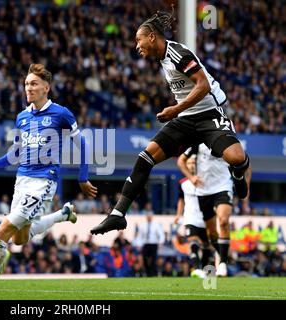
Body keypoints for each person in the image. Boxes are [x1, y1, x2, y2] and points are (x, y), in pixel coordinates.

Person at [91, 9, 250, 236]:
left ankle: (238, 170)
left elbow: (203, 86)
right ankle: (117, 214)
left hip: (209, 114)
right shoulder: (162, 59)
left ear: (152, 37)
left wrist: (175, 109)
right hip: (186, 119)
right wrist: (179, 112)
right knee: (145, 157)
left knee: (236, 157)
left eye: (139, 40)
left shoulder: (178, 53)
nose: (137, 46)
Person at [0, 63, 97, 291]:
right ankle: (62, 214)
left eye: (34, 83)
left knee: (4, 228)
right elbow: (16, 153)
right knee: (19, 239)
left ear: (47, 87)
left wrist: (83, 178)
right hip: (22, 179)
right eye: (26, 84)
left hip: (44, 180)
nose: (29, 88)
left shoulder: (61, 113)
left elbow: (82, 144)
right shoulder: (22, 117)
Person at [177, 143, 251, 276]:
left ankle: (221, 263)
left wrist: (245, 184)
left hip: (223, 187)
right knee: (211, 235)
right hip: (204, 192)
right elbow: (180, 161)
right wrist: (191, 177)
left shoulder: (227, 142)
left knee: (223, 220)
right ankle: (214, 261)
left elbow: (245, 163)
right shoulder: (197, 143)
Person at [174, 154, 212, 278]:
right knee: (193, 242)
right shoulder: (183, 183)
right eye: (188, 163)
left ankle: (205, 271)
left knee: (206, 247)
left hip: (204, 219)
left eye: (192, 163)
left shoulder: (206, 181)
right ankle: (197, 268)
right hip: (190, 218)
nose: (190, 165)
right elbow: (181, 200)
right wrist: (178, 215)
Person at [134, 212, 165, 277]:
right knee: (144, 258)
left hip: (154, 244)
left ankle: (152, 273)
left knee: (153, 259)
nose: (149, 217)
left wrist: (160, 243)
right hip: (146, 244)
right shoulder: (143, 225)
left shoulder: (156, 225)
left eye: (150, 216)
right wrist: (138, 244)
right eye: (148, 216)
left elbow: (161, 234)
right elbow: (140, 236)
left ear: (152, 217)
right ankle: (147, 272)